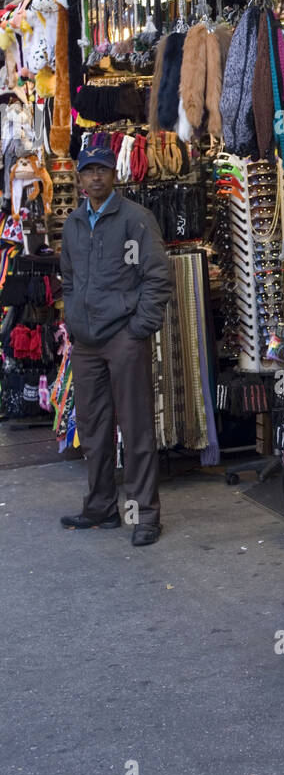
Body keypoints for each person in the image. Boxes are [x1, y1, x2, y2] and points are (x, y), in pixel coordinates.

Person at [60, 146, 172, 546]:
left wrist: (138, 327)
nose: (95, 178)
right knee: (93, 428)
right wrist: (74, 319)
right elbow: (68, 279)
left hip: (123, 337)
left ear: (114, 175)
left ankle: (144, 515)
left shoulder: (135, 220)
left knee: (136, 426)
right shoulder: (73, 223)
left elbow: (157, 277)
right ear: (79, 177)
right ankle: (102, 506)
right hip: (87, 342)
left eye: (102, 171)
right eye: (88, 171)